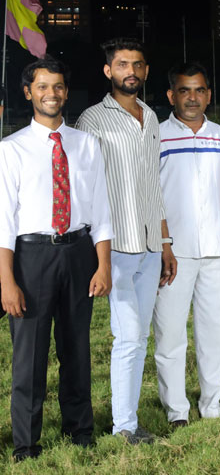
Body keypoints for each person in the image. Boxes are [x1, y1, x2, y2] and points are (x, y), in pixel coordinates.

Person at [0, 57, 113, 461]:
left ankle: (80, 430)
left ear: (66, 92)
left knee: (77, 349)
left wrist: (103, 264)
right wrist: (7, 281)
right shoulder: (11, 149)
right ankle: (26, 444)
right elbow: (3, 220)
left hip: (79, 253)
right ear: (28, 92)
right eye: (42, 86)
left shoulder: (86, 144)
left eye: (58, 86)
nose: (52, 93)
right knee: (29, 356)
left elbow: (100, 208)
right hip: (31, 256)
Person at [76, 38, 176, 444]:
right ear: (108, 71)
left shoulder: (150, 117)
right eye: (121, 64)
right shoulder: (92, 120)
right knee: (130, 336)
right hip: (115, 248)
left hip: (150, 246)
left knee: (138, 338)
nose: (130, 71)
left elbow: (154, 186)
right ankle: (124, 427)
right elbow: (84, 189)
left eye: (137, 64)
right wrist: (97, 254)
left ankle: (127, 422)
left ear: (146, 71)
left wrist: (166, 243)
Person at [153, 62, 220, 428]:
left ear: (208, 95)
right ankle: (177, 410)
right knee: (170, 335)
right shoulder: (157, 137)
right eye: (184, 90)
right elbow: (150, 196)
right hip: (172, 254)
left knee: (212, 334)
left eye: (199, 90)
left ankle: (211, 405)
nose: (192, 97)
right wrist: (162, 244)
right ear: (171, 96)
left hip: (217, 250)